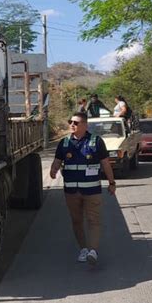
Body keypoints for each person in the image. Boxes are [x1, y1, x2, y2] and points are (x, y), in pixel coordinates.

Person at [50, 111, 116, 265]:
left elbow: (105, 163)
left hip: (92, 191)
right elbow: (57, 160)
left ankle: (92, 251)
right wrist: (53, 170)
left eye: (76, 123)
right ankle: (83, 249)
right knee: (77, 220)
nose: (72, 125)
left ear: (85, 125)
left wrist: (112, 183)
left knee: (93, 220)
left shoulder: (96, 141)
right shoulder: (64, 142)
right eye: (70, 122)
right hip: (71, 192)